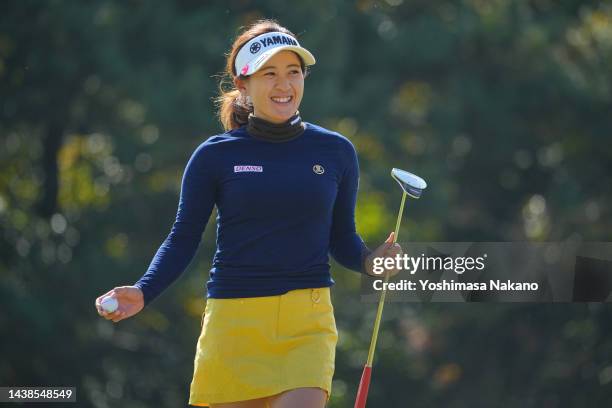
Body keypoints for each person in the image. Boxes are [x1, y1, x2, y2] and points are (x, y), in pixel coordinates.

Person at [95, 19, 402, 408]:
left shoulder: (336, 151)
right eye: (269, 73)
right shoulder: (215, 155)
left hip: (305, 324)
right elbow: (184, 236)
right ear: (243, 84)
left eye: (294, 73)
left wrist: (370, 262)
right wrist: (144, 289)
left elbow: (342, 239)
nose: (284, 85)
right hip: (232, 324)